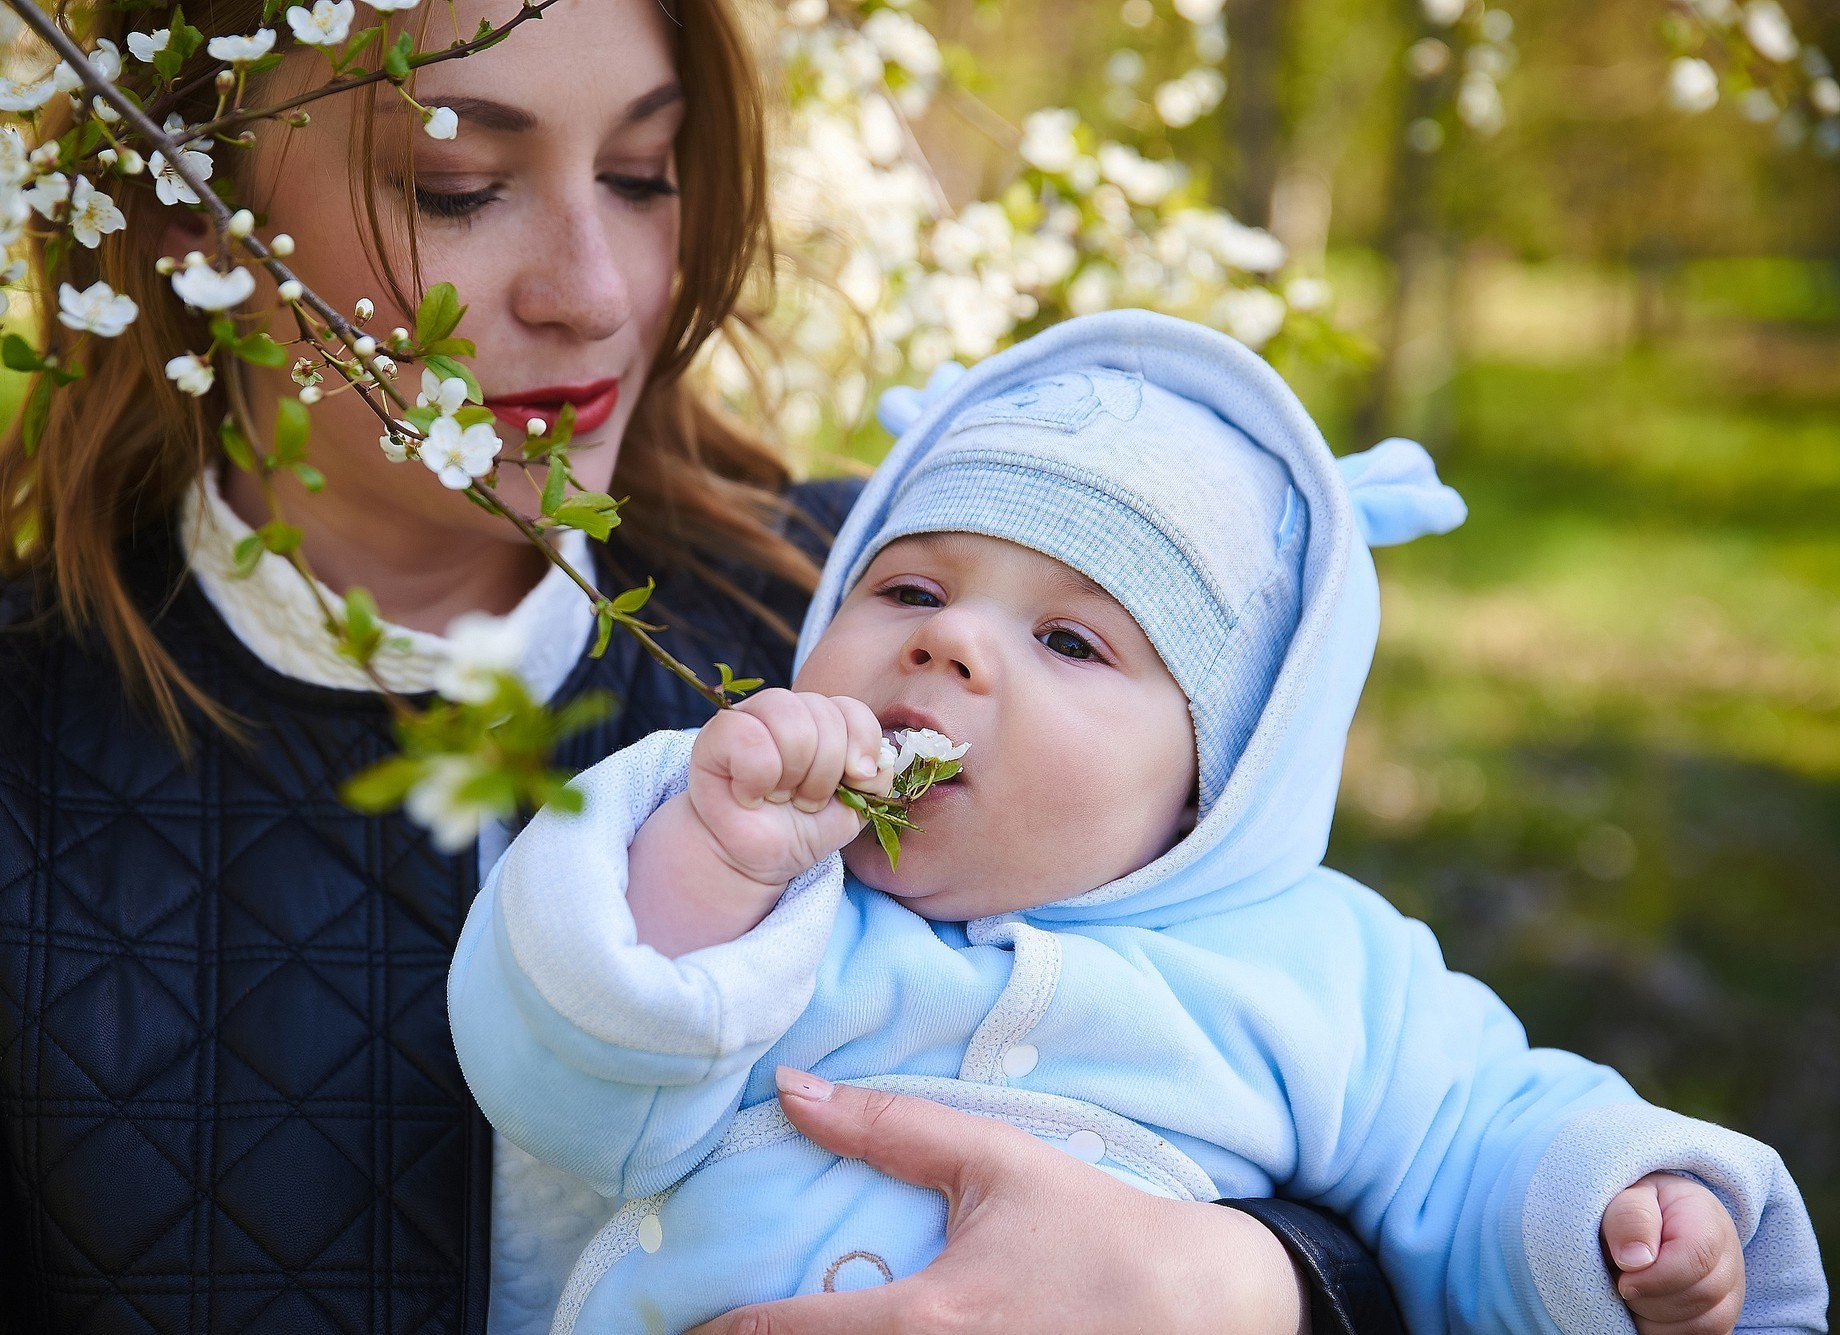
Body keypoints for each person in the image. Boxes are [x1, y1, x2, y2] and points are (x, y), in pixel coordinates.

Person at [0, 1, 1402, 1331]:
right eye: (458, 185)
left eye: (645, 174)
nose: (589, 290)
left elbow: (1326, 1042)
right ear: (183, 220)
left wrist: (1245, 1286)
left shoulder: (879, 615)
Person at [448, 311, 1829, 1334]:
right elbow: (568, 1088)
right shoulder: (771, 881)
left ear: (1217, 775)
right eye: (913, 595)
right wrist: (711, 859)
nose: (955, 651)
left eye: (1069, 640)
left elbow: (1480, 1141)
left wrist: (1621, 1215)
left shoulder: (1319, 969)